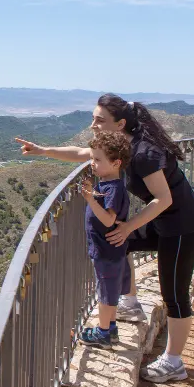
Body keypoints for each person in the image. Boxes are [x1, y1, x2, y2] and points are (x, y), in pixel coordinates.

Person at [15, 94, 194, 383]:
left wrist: (129, 225)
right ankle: (130, 302)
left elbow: (163, 198)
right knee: (121, 243)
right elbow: (81, 153)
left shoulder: (143, 154)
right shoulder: (119, 146)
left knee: (174, 294)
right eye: (94, 118)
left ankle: (174, 362)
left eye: (100, 120)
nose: (93, 125)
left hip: (184, 228)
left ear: (120, 124)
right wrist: (43, 150)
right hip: (164, 224)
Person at [78, 131, 132, 348]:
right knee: (108, 289)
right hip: (108, 249)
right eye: (92, 158)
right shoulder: (108, 184)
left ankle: (103, 333)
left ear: (116, 162)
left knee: (105, 292)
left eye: (98, 160)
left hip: (106, 251)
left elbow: (109, 220)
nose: (92, 163)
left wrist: (90, 199)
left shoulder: (113, 188)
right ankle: (110, 328)